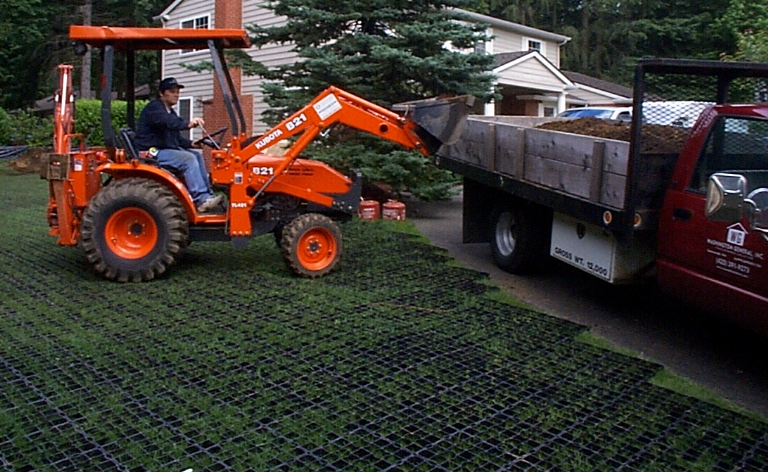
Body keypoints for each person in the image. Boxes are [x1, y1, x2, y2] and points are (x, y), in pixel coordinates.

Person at [135, 77, 223, 213]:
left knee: (196, 156)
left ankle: (208, 196)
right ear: (161, 93)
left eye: (177, 92)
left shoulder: (170, 112)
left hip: (162, 149)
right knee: (188, 159)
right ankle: (201, 198)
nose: (176, 94)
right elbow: (169, 123)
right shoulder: (155, 108)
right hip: (149, 151)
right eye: (172, 91)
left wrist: (192, 144)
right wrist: (188, 124)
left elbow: (175, 138)